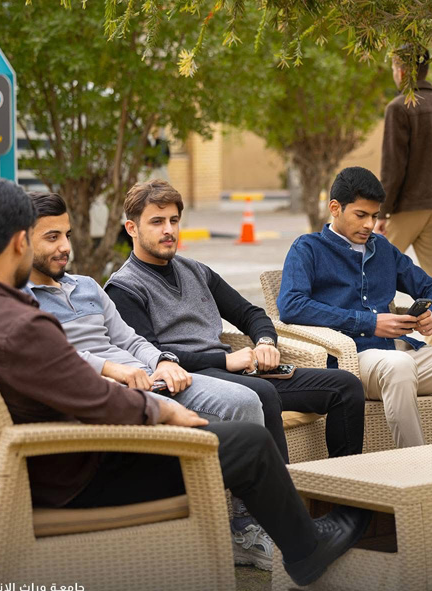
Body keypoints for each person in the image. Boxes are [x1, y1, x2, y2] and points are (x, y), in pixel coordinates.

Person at [0, 178, 371, 591]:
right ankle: (306, 550)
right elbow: (96, 397)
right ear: (21, 242)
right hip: (75, 473)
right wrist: (165, 413)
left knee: (223, 433)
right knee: (247, 443)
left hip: (10, 475)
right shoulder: (21, 324)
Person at [23, 191, 273, 571]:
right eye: (52, 237)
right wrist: (114, 370)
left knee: (247, 401)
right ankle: (197, 536)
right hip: (112, 389)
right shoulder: (23, 301)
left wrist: (162, 361)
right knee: (200, 426)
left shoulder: (86, 286)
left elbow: (129, 339)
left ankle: (243, 527)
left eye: (67, 236)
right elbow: (55, 358)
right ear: (23, 242)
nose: (65, 248)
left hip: (150, 375)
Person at [104, 179, 366, 461]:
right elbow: (150, 355)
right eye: (157, 222)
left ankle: (344, 485)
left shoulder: (196, 271)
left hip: (236, 372)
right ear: (132, 228)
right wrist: (225, 361)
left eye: (174, 220)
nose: (168, 230)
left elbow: (250, 313)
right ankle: (278, 487)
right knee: (263, 393)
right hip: (189, 380)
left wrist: (265, 342)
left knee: (345, 386)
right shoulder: (124, 288)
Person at [278, 167, 432, 447]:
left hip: (403, 356)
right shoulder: (308, 248)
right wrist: (370, 323)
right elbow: (291, 305)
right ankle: (414, 464)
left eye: (374, 216)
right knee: (399, 365)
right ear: (335, 208)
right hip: (353, 363)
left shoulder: (382, 249)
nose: (369, 225)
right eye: (361, 215)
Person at [376, 45, 432, 286]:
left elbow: (393, 168)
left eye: (394, 67)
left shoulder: (398, 107)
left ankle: (378, 313)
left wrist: (382, 212)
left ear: (402, 71)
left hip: (408, 206)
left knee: (376, 269)